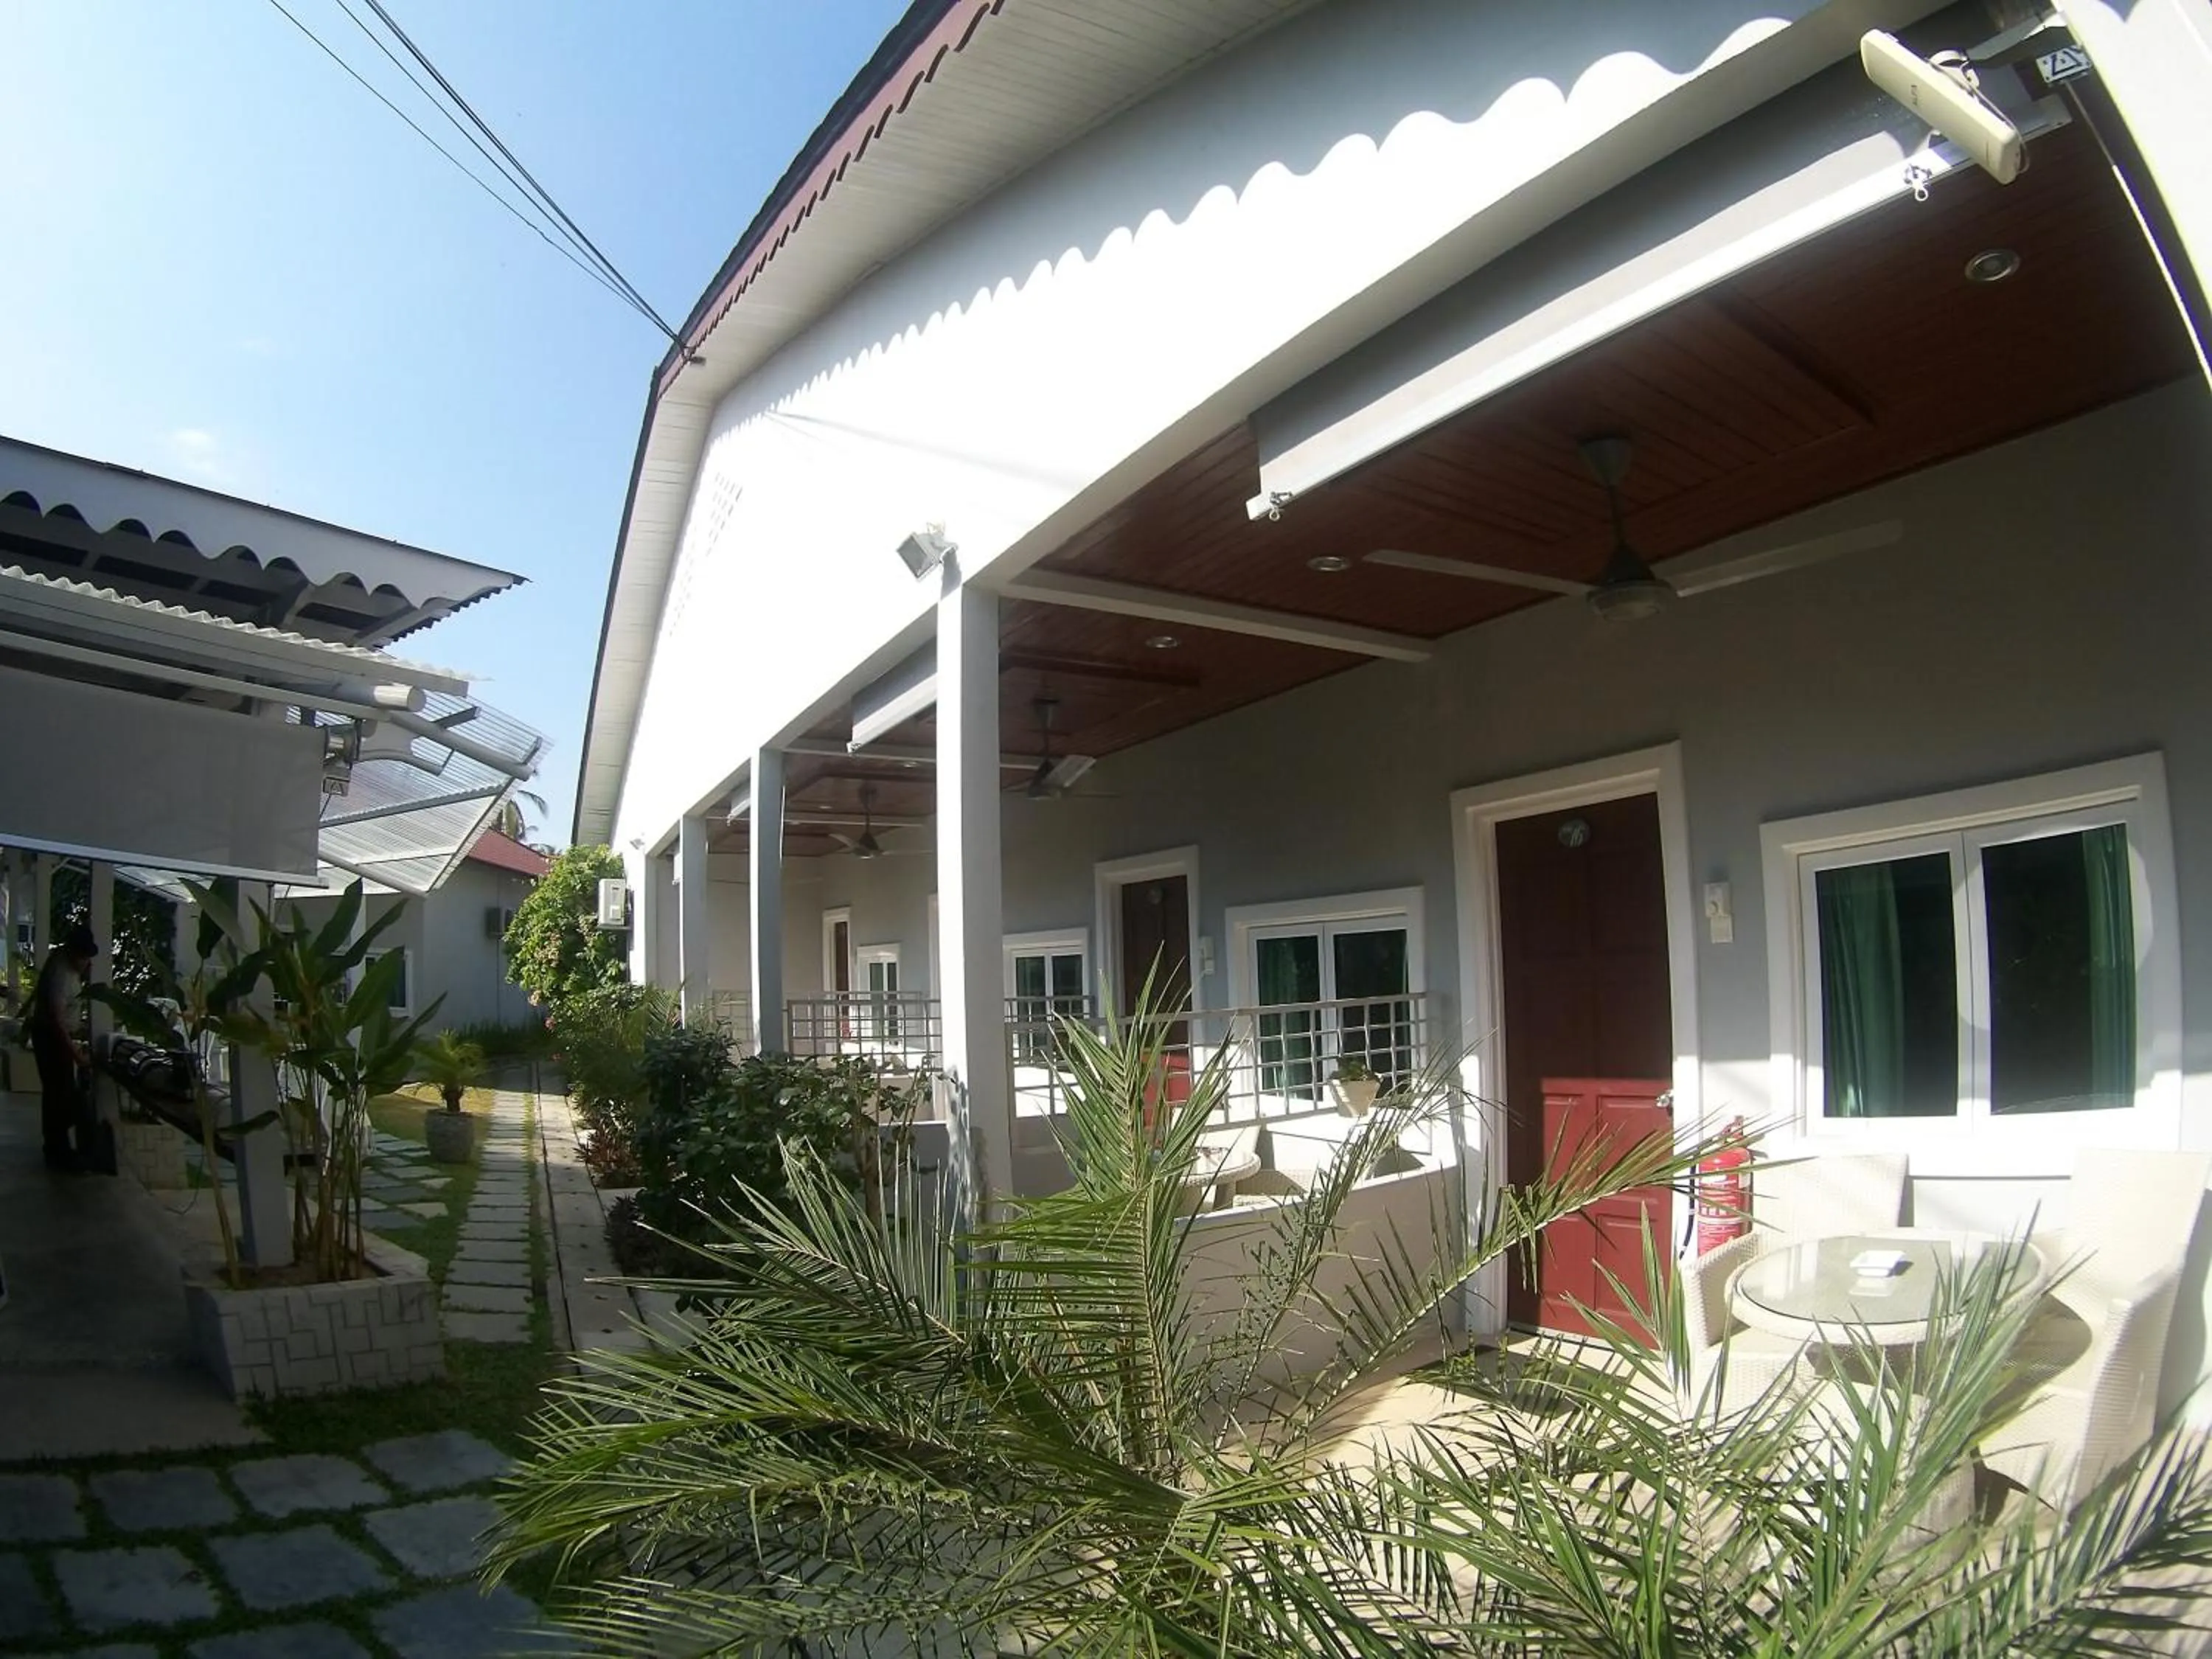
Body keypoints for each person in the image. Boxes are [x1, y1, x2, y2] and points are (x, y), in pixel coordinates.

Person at [29, 922, 97, 1172]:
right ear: (72, 952)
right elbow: (56, 1021)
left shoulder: (65, 962)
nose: (86, 962)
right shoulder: (60, 973)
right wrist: (76, 1055)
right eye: (83, 957)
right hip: (51, 1037)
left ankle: (56, 1146)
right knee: (60, 1093)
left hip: (55, 1035)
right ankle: (59, 1150)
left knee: (58, 1093)